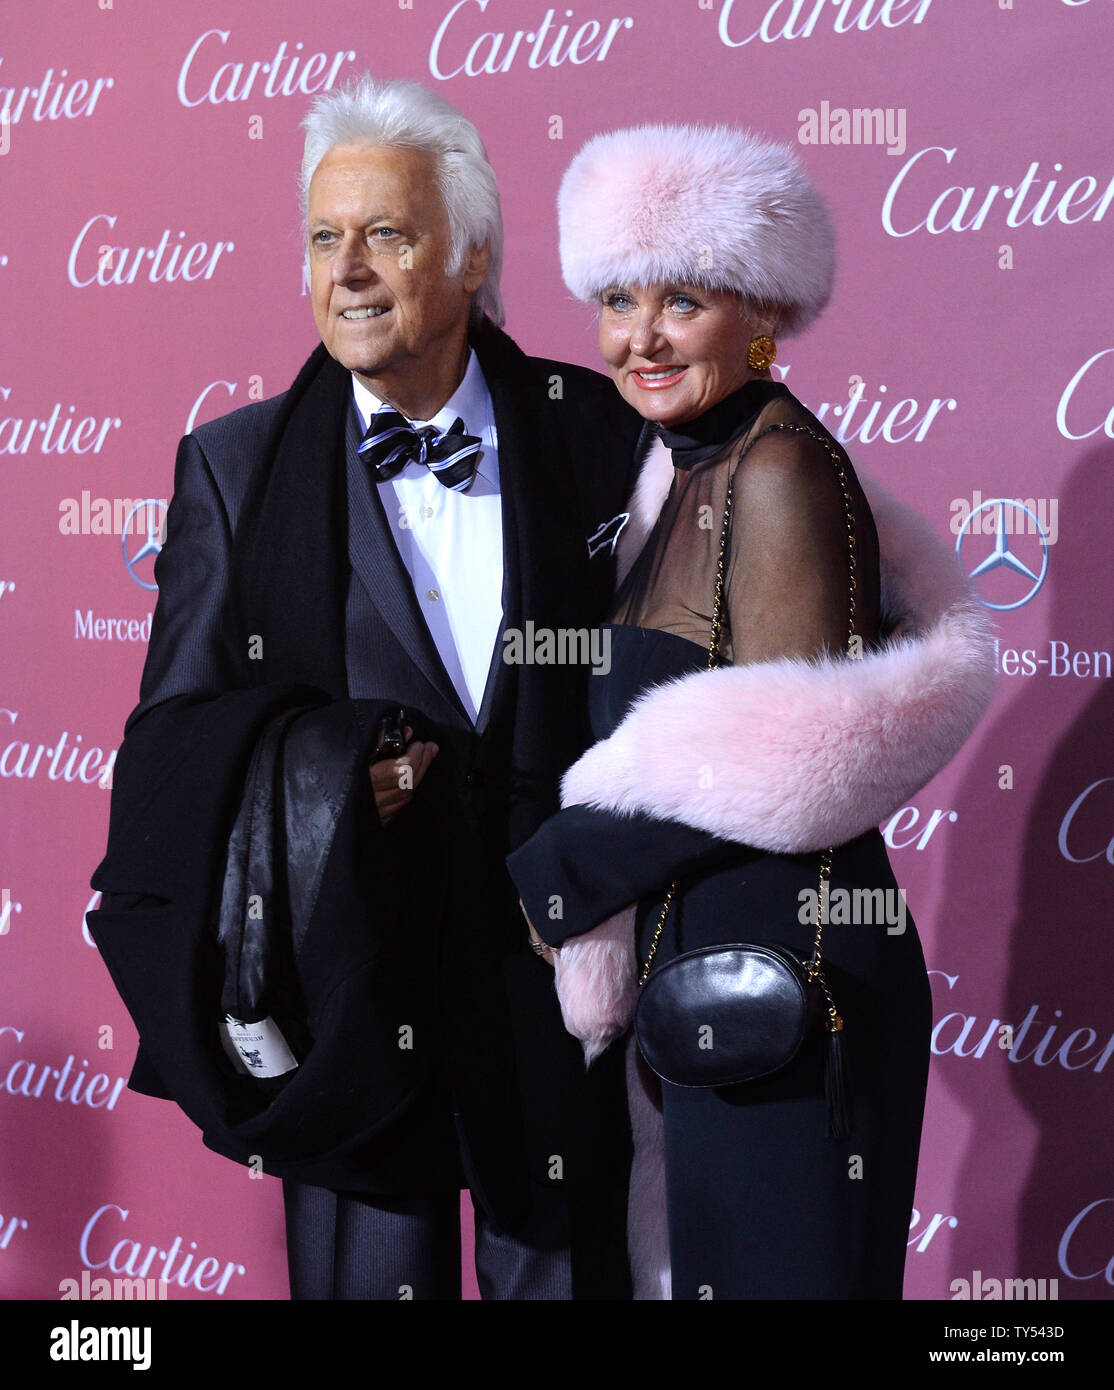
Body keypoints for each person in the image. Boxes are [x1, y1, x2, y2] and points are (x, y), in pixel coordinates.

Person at [88, 76, 645, 1300]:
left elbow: (670, 694)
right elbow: (172, 747)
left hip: (558, 974)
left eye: (386, 234)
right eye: (324, 238)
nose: (348, 270)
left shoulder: (595, 432)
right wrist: (329, 776)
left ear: (471, 253)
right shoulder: (233, 468)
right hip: (353, 980)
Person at [507, 123, 996, 1300]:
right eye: (619, 298)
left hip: (789, 977)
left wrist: (565, 865)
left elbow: (786, 754)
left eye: (683, 298)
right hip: (716, 966)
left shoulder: (776, 471)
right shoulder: (670, 476)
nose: (641, 336)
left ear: (760, 309)